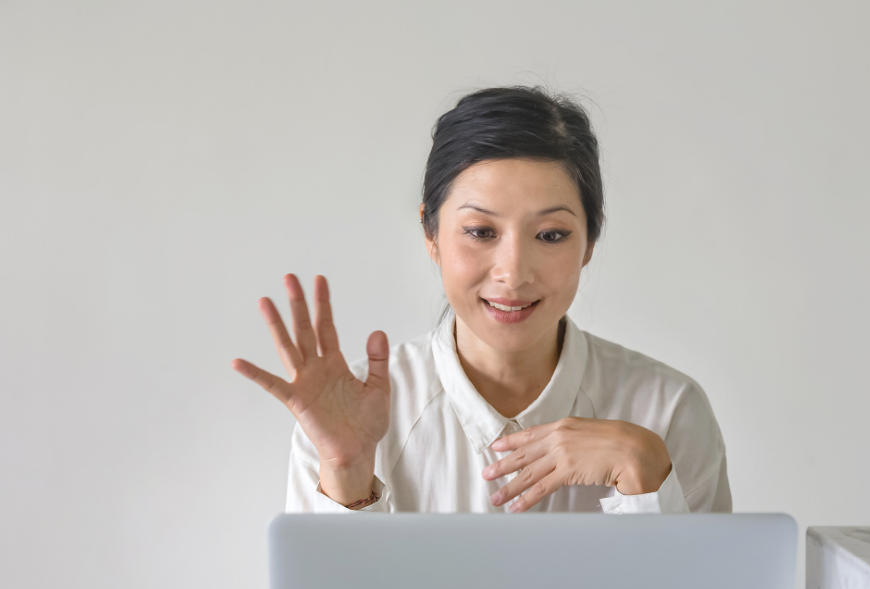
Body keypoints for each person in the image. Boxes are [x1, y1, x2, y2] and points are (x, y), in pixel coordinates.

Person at [231, 86, 731, 514]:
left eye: (550, 235)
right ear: (431, 234)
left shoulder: (668, 411)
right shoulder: (346, 417)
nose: (513, 272)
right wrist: (347, 472)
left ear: (590, 242)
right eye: (480, 231)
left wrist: (646, 478)